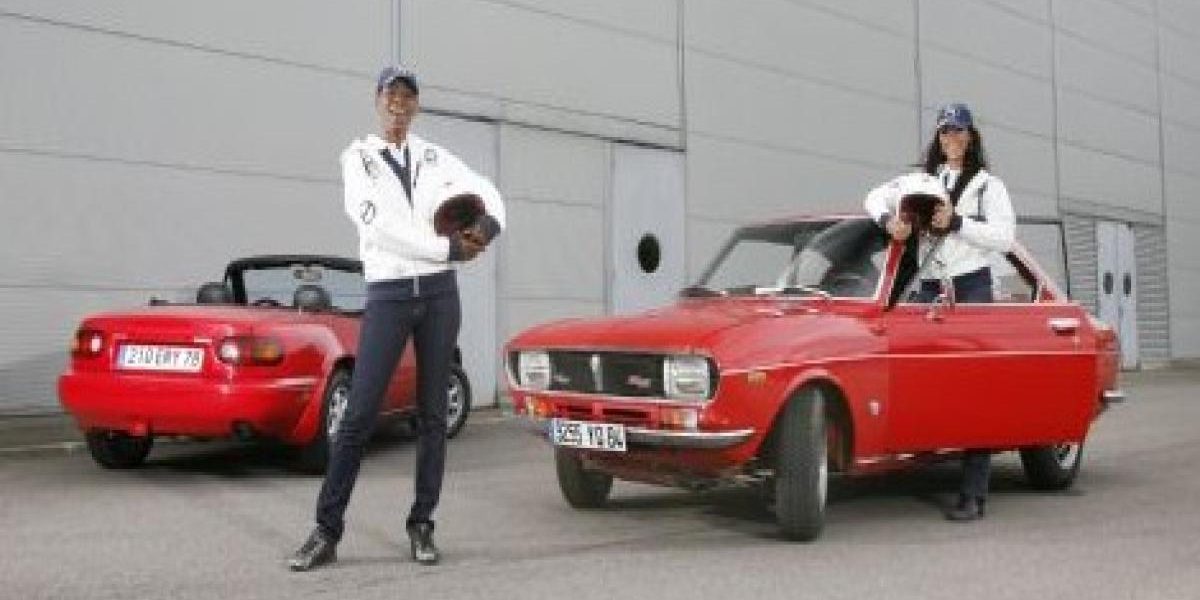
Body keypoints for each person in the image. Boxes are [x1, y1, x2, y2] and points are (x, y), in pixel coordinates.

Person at [288, 65, 505, 570]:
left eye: (407, 97)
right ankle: (326, 531)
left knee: (432, 415)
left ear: (416, 106)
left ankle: (422, 524)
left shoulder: (433, 156)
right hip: (389, 294)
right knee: (359, 414)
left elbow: (488, 191)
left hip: (440, 295)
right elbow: (380, 227)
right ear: (377, 100)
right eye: (391, 96)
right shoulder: (357, 159)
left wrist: (487, 228)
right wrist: (449, 249)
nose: (398, 105)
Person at [864, 103, 1015, 522]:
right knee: (921, 379)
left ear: (971, 136)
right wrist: (888, 221)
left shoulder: (988, 186)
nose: (952, 138)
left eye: (959, 131)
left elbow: (1005, 238)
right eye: (946, 131)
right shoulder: (922, 180)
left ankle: (973, 492)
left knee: (975, 389)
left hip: (971, 287)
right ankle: (914, 465)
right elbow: (873, 196)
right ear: (939, 136)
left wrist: (958, 222)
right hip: (929, 287)